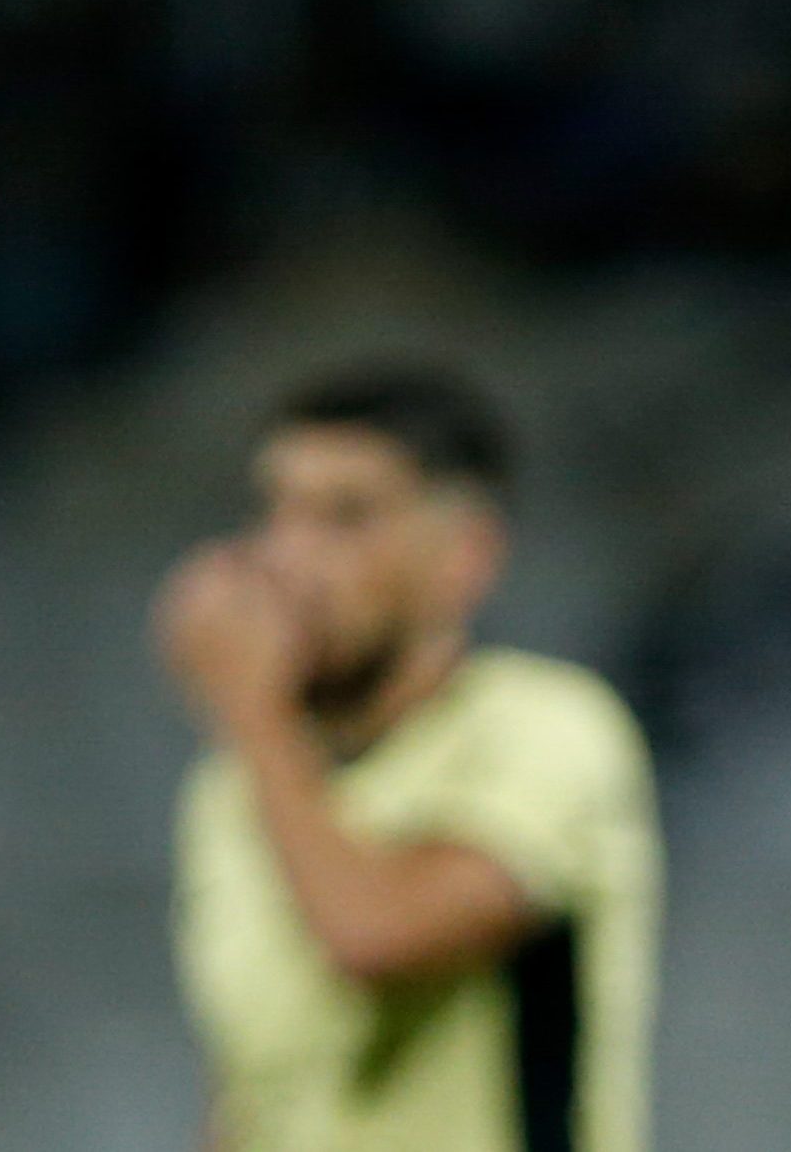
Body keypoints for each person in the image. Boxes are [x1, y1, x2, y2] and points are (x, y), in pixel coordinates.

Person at [161, 367, 660, 1152]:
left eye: (346, 517)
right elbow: (256, 1088)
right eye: (273, 511)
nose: (287, 557)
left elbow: (378, 938)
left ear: (465, 554)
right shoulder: (231, 788)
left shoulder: (546, 727)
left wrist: (254, 713)